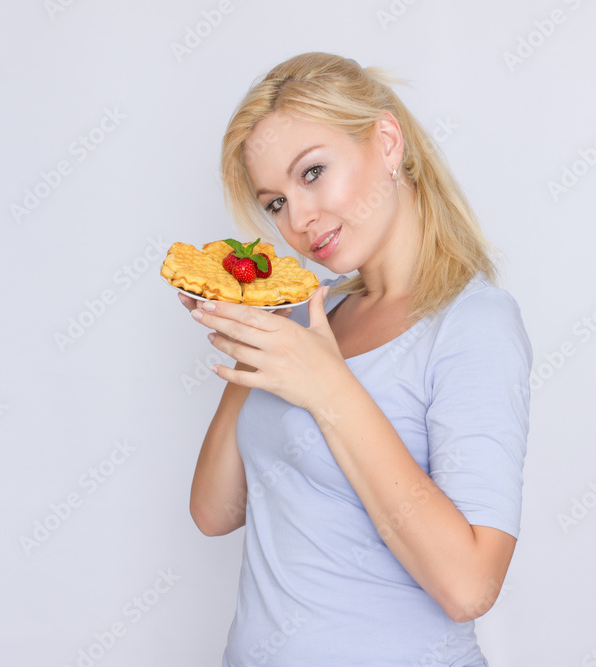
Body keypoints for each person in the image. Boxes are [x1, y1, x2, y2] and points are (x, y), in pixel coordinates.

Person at [178, 52, 533, 666]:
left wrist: (327, 387)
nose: (299, 219)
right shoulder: (311, 317)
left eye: (312, 173)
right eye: (275, 203)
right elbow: (215, 511)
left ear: (387, 142)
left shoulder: (473, 324)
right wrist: (254, 321)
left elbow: (470, 586)